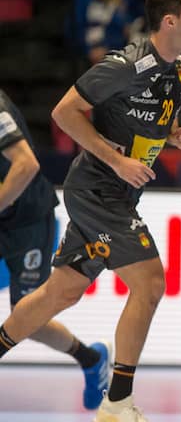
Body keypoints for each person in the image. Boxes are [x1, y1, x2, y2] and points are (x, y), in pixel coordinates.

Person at [0, 0, 181, 422]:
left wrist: (176, 137)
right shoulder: (124, 65)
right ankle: (117, 402)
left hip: (119, 193)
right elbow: (63, 113)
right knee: (150, 284)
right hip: (96, 189)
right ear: (170, 21)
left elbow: (149, 124)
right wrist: (116, 161)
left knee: (61, 292)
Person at [0, 89, 111, 410]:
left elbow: (26, 165)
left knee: (27, 313)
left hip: (28, 219)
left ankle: (90, 359)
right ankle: (90, 358)